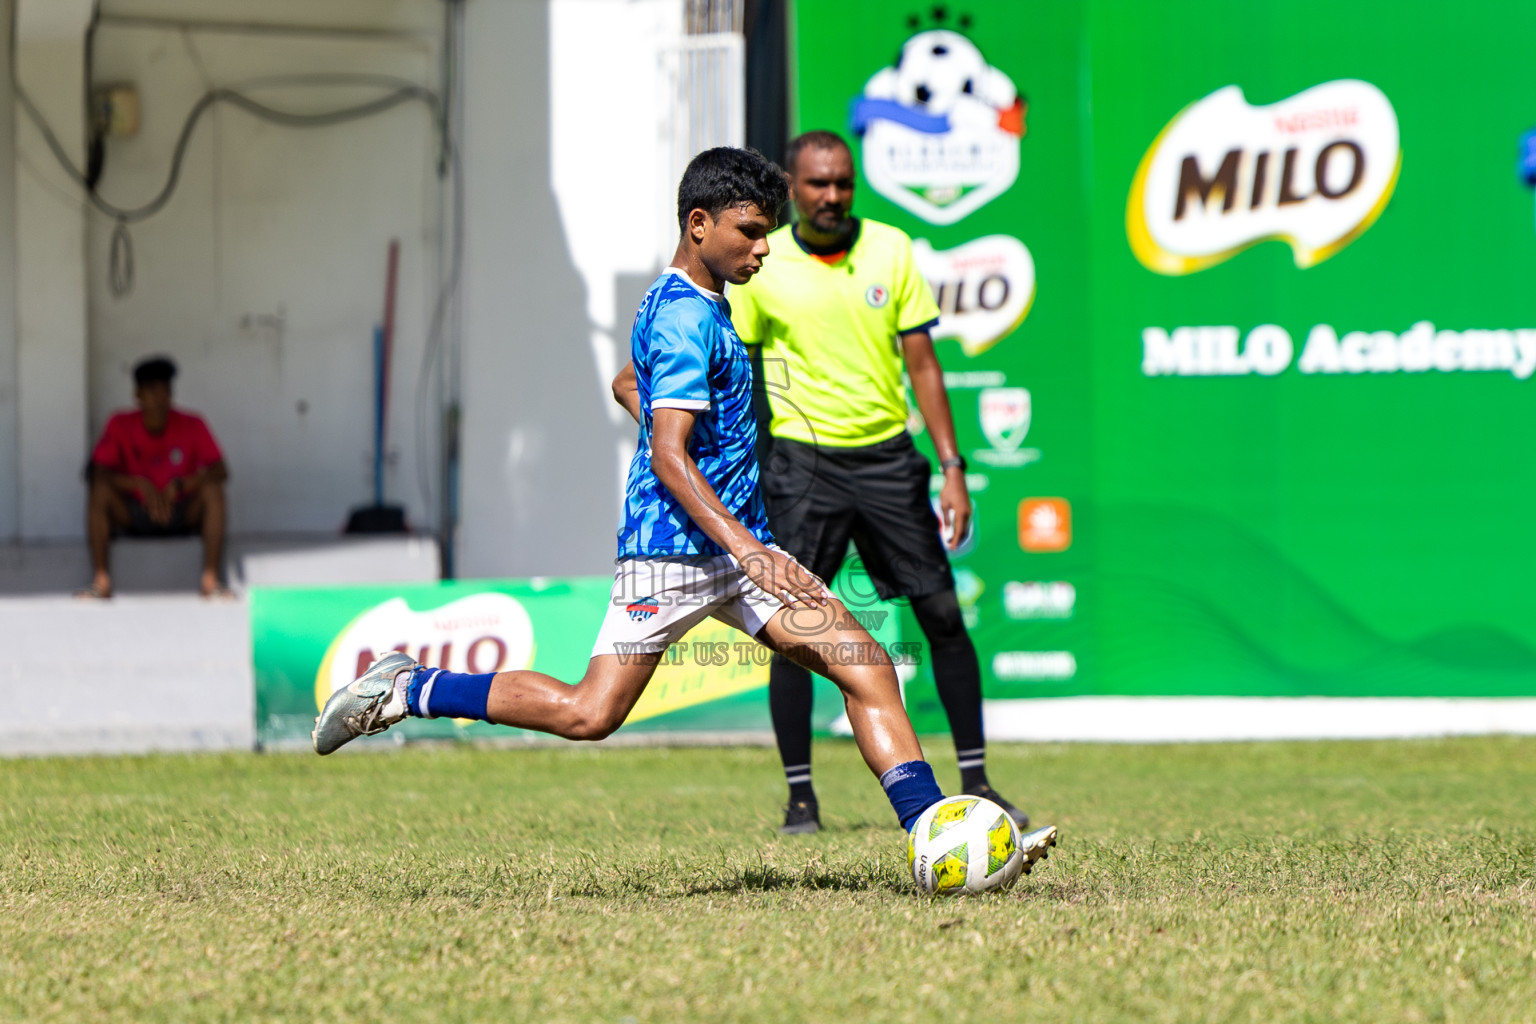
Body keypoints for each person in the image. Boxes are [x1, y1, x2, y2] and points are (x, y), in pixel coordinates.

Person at [313, 148, 1054, 861]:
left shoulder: (698, 302)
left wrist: (741, 535)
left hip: (734, 549)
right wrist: (751, 548)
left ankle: (936, 834)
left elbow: (626, 384)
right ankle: (409, 688)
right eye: (752, 232)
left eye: (768, 231)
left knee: (865, 666)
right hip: (672, 552)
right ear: (699, 224)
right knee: (588, 713)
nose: (764, 249)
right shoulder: (684, 314)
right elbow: (668, 454)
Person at [728, 130, 1027, 834]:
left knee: (945, 620)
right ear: (791, 189)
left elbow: (923, 363)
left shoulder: (892, 248)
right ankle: (801, 797)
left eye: (842, 184)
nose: (831, 196)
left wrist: (952, 468)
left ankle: (977, 782)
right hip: (802, 466)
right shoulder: (762, 264)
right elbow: (737, 373)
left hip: (890, 463)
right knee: (795, 633)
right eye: (817, 184)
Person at [84, 356, 230, 598]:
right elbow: (96, 472)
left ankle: (210, 579)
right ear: (137, 395)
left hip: (181, 511)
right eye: (152, 391)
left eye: (166, 391)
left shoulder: (192, 423)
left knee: (213, 490)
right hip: (135, 512)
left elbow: (221, 471)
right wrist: (138, 484)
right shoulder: (120, 423)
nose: (160, 399)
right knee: (100, 490)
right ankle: (101, 580)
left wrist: (180, 485)